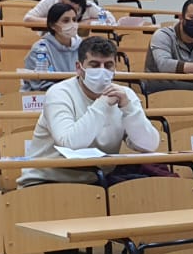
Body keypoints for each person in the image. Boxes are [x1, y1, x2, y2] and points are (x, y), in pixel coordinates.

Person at [19, 37, 160, 186]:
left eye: (108, 65)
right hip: (47, 180)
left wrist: (128, 108)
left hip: (96, 179)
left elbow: (149, 145)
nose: (102, 70)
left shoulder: (124, 95)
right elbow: (69, 143)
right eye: (94, 65)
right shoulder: (59, 93)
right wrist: (102, 103)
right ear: (79, 67)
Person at [23, 2, 82, 91]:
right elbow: (38, 83)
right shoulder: (40, 49)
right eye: (66, 20)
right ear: (52, 25)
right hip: (46, 94)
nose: (72, 24)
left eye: (74, 20)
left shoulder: (83, 46)